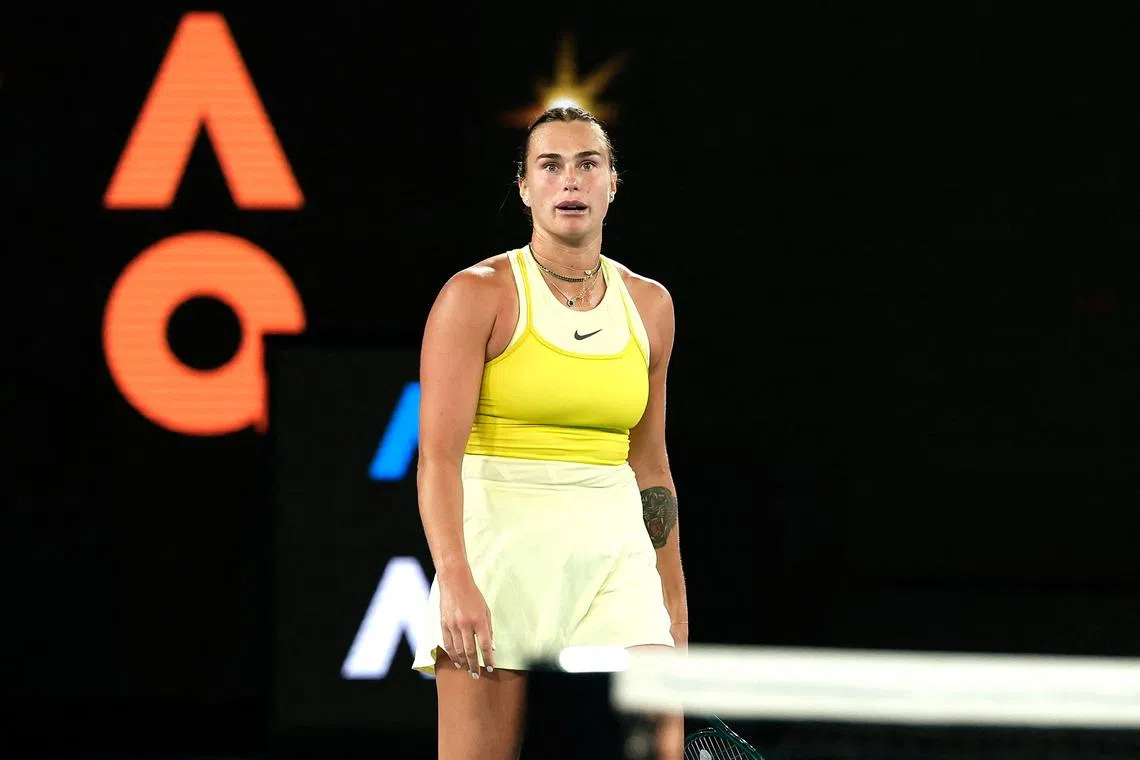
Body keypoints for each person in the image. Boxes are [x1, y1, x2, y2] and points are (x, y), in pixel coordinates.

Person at [412, 105, 688, 760]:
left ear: (612, 183)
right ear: (525, 187)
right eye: (551, 165)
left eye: (588, 164)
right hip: (499, 554)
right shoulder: (475, 295)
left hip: (616, 557)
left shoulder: (650, 305)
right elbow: (438, 459)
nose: (570, 180)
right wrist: (455, 578)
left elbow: (651, 467)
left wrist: (672, 604)